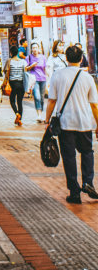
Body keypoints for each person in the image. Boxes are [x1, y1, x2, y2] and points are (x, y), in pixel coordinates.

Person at [45, 44, 98, 204]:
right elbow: (94, 105)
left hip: (65, 124)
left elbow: (52, 101)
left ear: (66, 58)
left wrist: (47, 121)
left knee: (69, 157)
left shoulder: (57, 75)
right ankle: (88, 181)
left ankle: (74, 192)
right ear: (81, 59)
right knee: (87, 152)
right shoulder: (87, 77)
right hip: (84, 123)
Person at [3, 45, 27, 126]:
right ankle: (19, 120)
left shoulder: (9, 61)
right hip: (21, 83)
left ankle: (17, 113)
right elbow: (25, 71)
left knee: (12, 100)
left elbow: (6, 73)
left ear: (11, 53)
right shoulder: (23, 61)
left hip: (13, 84)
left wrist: (4, 83)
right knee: (20, 102)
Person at [26, 42, 47, 122]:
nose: (35, 49)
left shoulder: (43, 57)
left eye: (36, 48)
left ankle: (41, 113)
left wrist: (47, 78)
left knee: (42, 98)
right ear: (31, 49)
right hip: (34, 80)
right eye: (33, 48)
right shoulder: (29, 57)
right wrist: (32, 66)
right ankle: (39, 115)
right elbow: (25, 68)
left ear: (39, 49)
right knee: (37, 97)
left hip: (43, 79)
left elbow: (45, 68)